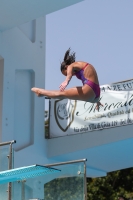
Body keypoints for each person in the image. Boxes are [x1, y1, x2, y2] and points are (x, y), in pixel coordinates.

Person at [31, 48, 103, 110]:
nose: (72, 74)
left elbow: (69, 70)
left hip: (90, 91)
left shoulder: (72, 65)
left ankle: (41, 92)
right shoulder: (81, 66)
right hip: (96, 95)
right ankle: (43, 93)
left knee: (62, 93)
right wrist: (97, 101)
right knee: (72, 89)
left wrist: (66, 80)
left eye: (65, 73)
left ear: (66, 67)